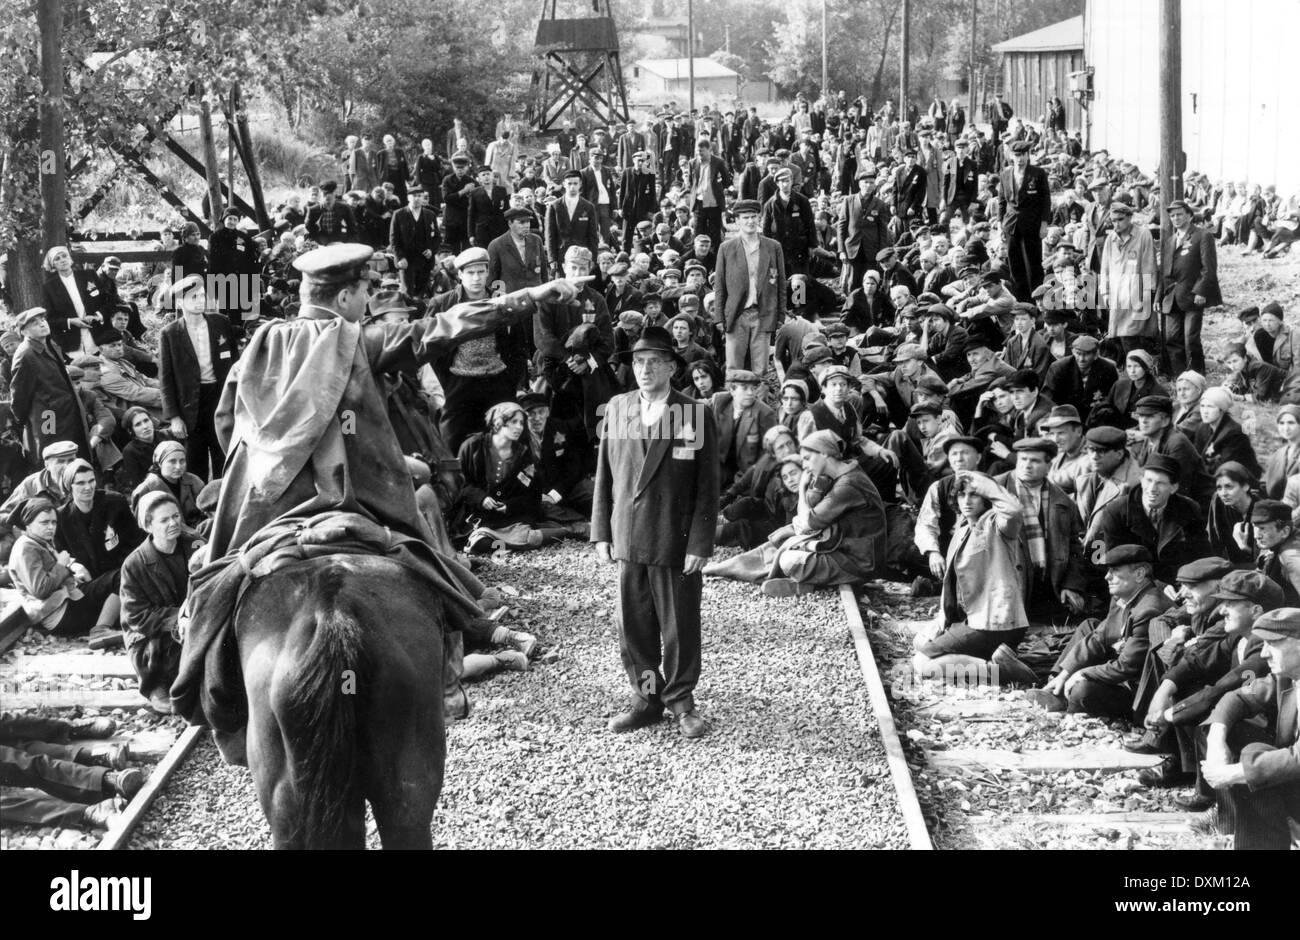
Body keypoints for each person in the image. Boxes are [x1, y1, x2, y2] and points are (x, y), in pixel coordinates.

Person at [593, 325, 718, 739]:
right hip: (629, 535)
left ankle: (682, 703)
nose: (644, 370)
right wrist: (602, 533)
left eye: (653, 362)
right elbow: (605, 477)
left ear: (671, 367)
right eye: (638, 362)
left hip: (673, 538)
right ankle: (647, 700)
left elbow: (707, 485)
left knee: (679, 626)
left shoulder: (693, 413)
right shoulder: (617, 408)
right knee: (635, 627)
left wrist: (700, 542)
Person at [913, 471, 1035, 685]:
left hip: (995, 623)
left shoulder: (996, 525)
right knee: (919, 642)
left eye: (974, 495)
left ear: (986, 498)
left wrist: (987, 485)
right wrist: (941, 621)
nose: (966, 501)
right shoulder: (961, 531)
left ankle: (997, 670)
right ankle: (992, 659)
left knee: (922, 664)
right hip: (971, 620)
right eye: (961, 495)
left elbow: (1014, 511)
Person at [1025, 544, 1171, 718]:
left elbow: (1127, 667)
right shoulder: (1124, 594)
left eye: (1115, 570)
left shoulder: (1149, 609)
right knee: (1090, 626)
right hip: (1124, 665)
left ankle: (1065, 698)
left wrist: (1082, 674)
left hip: (1141, 689)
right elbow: (1099, 637)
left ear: (1139, 574)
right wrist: (1066, 673)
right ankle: (1056, 685)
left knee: (1082, 690)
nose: (1107, 576)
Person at [1199, 608, 1300, 849]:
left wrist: (1235, 773)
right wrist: (1216, 740)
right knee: (1242, 743)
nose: (1264, 653)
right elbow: (1239, 697)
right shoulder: (1286, 676)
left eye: (1272, 643)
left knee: (1253, 762)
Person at [118, 491, 199, 714]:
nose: (173, 523)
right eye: (164, 520)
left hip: (196, 620)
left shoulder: (196, 546)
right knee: (160, 653)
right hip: (152, 633)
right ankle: (157, 686)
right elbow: (136, 616)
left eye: (176, 516)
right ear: (148, 525)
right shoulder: (135, 564)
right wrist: (179, 618)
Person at [457, 402, 571, 554]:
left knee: (529, 537)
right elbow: (460, 484)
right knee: (480, 542)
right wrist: (481, 498)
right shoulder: (472, 447)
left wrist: (509, 506)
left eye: (522, 423)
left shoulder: (523, 455)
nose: (519, 427)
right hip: (478, 515)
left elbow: (532, 495)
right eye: (513, 422)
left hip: (510, 518)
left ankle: (567, 531)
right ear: (498, 422)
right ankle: (493, 541)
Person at [5, 496, 121, 645]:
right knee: (120, 578)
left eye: (53, 522)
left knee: (120, 601)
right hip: (59, 613)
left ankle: (108, 627)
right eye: (44, 522)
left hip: (65, 602)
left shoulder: (37, 541)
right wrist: (61, 565)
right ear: (28, 524)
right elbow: (40, 589)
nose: (51, 527)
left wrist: (70, 567)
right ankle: (100, 631)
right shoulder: (26, 548)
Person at [158, 276, 240, 482]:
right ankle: (199, 506)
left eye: (203, 295)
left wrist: (238, 400)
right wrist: (174, 417)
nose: (200, 300)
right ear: (179, 302)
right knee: (195, 460)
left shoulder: (221, 323)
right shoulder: (170, 333)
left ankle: (226, 501)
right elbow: (166, 379)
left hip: (221, 398)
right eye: (194, 297)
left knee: (225, 452)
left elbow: (236, 364)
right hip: (191, 404)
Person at [55, 458, 143, 648]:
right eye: (80, 483)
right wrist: (72, 565)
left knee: (127, 576)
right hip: (89, 584)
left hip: (120, 574)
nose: (88, 487)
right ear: (69, 486)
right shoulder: (61, 517)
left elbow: (135, 541)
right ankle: (101, 629)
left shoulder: (115, 502)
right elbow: (58, 553)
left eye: (91, 481)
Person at [1093, 455, 1212, 584]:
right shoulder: (1116, 511)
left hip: (1179, 582)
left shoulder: (1189, 509)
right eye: (1149, 480)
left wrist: (1188, 581)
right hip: (1134, 583)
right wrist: (1157, 585)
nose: (1152, 489)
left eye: (1160, 483)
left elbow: (1201, 553)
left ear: (1173, 488)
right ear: (1141, 480)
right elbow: (1116, 562)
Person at [8, 307, 93, 463]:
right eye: (34, 323)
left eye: (43, 320)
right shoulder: (26, 355)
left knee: (78, 457)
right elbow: (19, 398)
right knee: (56, 458)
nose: (42, 324)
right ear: (24, 332)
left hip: (69, 413)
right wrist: (30, 421)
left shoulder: (49, 344)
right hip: (49, 418)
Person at [714, 199, 786, 374]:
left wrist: (781, 315)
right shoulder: (726, 248)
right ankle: (734, 400)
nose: (750, 221)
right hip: (737, 314)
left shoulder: (773, 247)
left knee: (760, 368)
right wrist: (719, 318)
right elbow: (720, 286)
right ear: (737, 221)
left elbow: (781, 284)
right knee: (733, 367)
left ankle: (758, 400)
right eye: (745, 217)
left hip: (763, 314)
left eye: (754, 216)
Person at [1159, 199, 1222, 376]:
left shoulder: (1202, 236)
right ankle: (1180, 376)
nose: (1176, 218)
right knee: (1171, 338)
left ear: (1189, 215)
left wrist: (1201, 291)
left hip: (1193, 297)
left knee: (1190, 339)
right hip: (1171, 298)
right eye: (1172, 215)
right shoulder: (1170, 241)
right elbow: (1163, 273)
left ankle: (1196, 376)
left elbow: (1208, 267)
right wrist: (1158, 297)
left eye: (1179, 214)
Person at [1128, 394, 1215, 508]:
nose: (1143, 421)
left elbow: (1178, 490)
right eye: (1141, 416)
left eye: (1150, 416)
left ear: (1165, 421)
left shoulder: (1177, 444)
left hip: (1196, 507)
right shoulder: (1150, 438)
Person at [999, 141, 1051, 301]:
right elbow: (1002, 201)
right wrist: (1001, 225)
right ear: (1011, 156)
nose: (1020, 159)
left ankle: (1037, 300)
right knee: (1015, 265)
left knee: (1033, 265)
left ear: (1028, 155)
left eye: (1023, 155)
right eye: (1017, 155)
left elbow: (1046, 200)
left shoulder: (1038, 173)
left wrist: (1044, 224)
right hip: (1011, 225)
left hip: (1032, 225)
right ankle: (1020, 300)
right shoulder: (1005, 174)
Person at [710, 369, 777, 487]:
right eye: (745, 388)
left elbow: (768, 452)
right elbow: (694, 409)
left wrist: (746, 479)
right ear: (732, 390)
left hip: (746, 470)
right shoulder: (719, 401)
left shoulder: (764, 413)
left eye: (753, 388)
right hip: (720, 463)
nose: (750, 393)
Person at [131, 440, 208, 538]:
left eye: (182, 461)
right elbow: (142, 528)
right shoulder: (146, 490)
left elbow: (207, 512)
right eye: (172, 461)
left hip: (199, 535)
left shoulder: (194, 481)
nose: (178, 466)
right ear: (159, 463)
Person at [41, 246, 106, 357]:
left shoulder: (89, 275)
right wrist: (70, 322)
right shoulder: (49, 287)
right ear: (53, 265)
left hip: (99, 335)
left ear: (70, 258)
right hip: (71, 342)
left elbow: (108, 300)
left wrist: (97, 315)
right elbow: (49, 318)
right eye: (57, 259)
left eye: (64, 256)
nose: (62, 260)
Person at [544, 169, 601, 277]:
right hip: (561, 257)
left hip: (582, 257)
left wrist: (593, 258)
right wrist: (552, 259)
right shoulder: (555, 206)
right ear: (564, 184)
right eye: (569, 183)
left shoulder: (588, 207)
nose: (572, 187)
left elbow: (593, 234)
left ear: (580, 184)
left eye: (575, 183)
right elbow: (550, 234)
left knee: (581, 288)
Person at [390, 186, 440, 300]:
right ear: (408, 197)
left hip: (424, 260)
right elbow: (393, 239)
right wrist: (400, 257)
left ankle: (420, 314)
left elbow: (437, 237)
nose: (417, 199)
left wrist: (431, 250)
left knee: (422, 291)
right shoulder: (399, 214)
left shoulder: (430, 214)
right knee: (408, 292)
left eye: (419, 196)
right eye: (414, 196)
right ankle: (409, 315)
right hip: (407, 260)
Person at [684, 138, 730, 248]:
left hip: (714, 203)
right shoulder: (692, 163)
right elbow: (691, 182)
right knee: (699, 232)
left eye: (702, 151)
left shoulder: (718, 162)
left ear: (709, 150)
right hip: (699, 203)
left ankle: (715, 258)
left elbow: (726, 180)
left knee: (715, 234)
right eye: (697, 151)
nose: (699, 154)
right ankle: (700, 257)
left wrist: (718, 190)